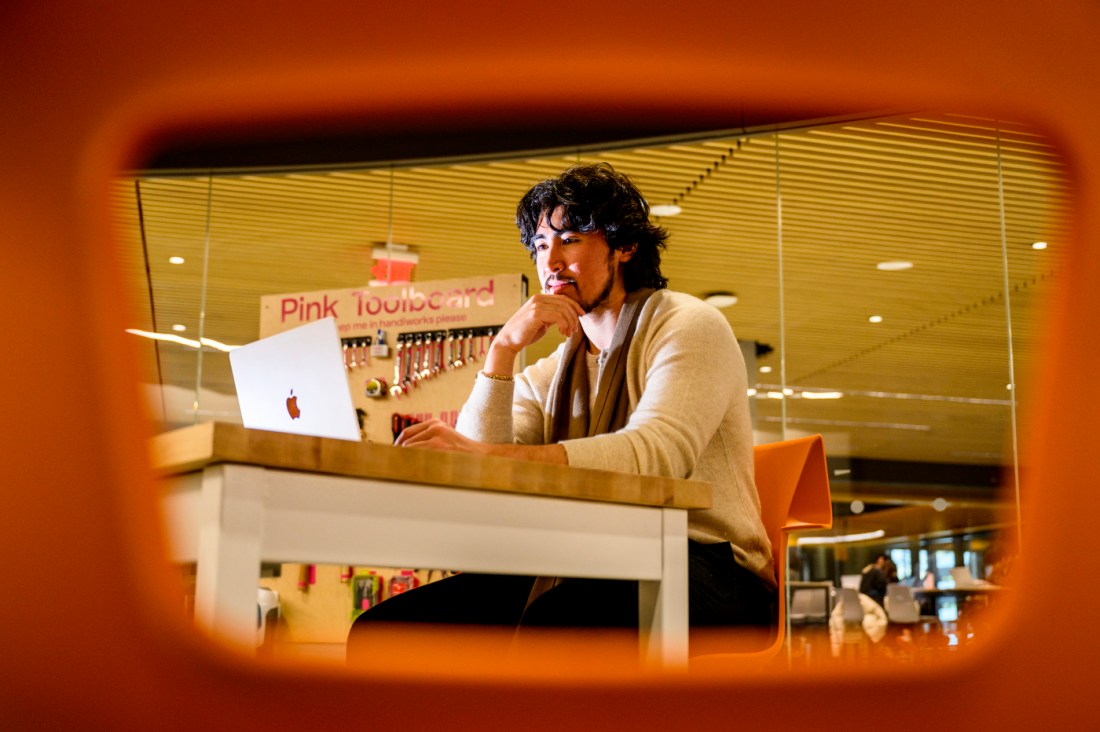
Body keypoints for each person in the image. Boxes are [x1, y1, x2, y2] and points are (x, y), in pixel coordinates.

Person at [347, 163, 776, 659]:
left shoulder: (688, 325)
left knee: (560, 622)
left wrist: (486, 456)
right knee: (388, 630)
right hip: (588, 561)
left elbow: (657, 455)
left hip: (710, 568)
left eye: (569, 238)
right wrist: (502, 352)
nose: (550, 260)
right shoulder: (556, 369)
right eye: (539, 245)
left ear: (625, 246)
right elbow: (474, 465)